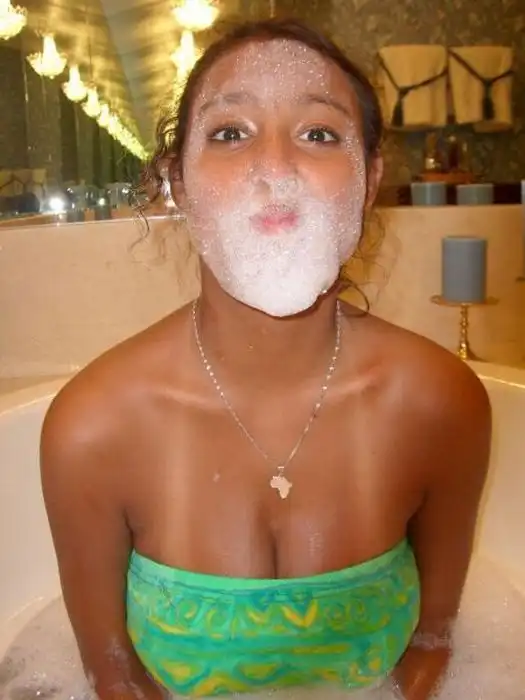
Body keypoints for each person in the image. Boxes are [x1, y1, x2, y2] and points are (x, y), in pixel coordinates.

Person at [40, 18, 491, 700]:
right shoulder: (92, 428)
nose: (274, 168)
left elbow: (432, 645)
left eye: (318, 134)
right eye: (230, 132)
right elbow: (113, 677)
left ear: (368, 179)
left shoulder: (441, 402)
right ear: (178, 182)